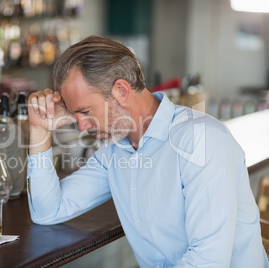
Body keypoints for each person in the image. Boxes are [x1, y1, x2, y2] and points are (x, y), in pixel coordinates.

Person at [26, 35, 269, 267]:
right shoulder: (114, 151)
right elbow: (47, 211)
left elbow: (208, 261)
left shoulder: (201, 141)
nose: (81, 126)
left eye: (86, 112)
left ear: (121, 90)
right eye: (74, 114)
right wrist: (39, 128)